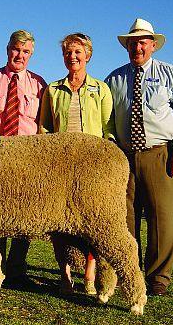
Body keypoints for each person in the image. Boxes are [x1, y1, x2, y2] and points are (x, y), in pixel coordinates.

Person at [105, 18, 173, 296]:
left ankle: (158, 277)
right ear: (127, 46)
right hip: (123, 157)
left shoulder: (171, 74)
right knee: (125, 218)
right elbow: (108, 119)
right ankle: (129, 272)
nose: (138, 47)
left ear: (153, 45)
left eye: (143, 42)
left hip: (160, 154)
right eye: (133, 42)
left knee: (162, 219)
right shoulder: (114, 79)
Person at [39, 33, 115, 295]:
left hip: (90, 167)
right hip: (59, 166)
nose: (72, 57)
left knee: (90, 222)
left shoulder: (101, 89)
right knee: (59, 223)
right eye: (68, 52)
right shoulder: (52, 89)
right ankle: (65, 275)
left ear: (88, 55)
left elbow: (109, 131)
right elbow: (45, 129)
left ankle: (90, 276)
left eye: (77, 52)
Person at [0, 30, 47, 291]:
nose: (20, 55)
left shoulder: (40, 85)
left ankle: (17, 269)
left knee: (24, 213)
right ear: (8, 50)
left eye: (26, 51)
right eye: (16, 49)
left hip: (27, 157)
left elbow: (44, 125)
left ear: (31, 54)